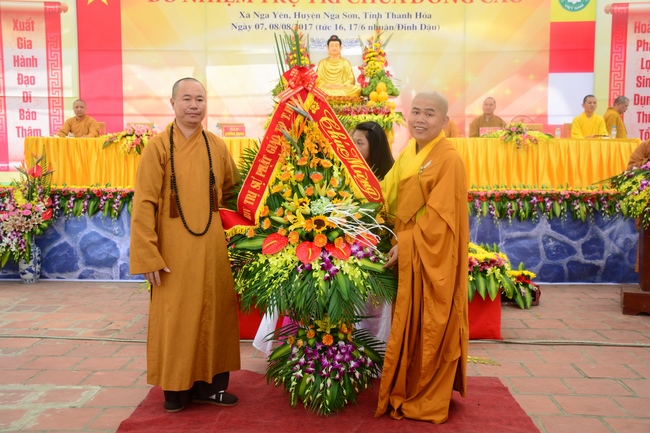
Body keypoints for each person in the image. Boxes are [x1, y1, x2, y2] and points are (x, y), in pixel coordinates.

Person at [130, 77, 241, 413]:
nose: (194, 105)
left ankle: (211, 387)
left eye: (200, 99)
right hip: (172, 252)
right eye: (187, 99)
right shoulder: (158, 147)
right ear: (173, 103)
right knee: (176, 317)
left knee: (214, 312)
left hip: (211, 249)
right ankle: (176, 390)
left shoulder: (217, 146)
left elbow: (232, 192)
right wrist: (148, 255)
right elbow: (144, 203)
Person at [376, 91, 469, 423]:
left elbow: (442, 219)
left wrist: (408, 242)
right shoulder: (409, 153)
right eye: (415, 111)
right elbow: (386, 192)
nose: (420, 119)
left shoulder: (449, 159)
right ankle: (405, 381)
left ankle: (426, 392)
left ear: (444, 121)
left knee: (429, 319)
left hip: (431, 253)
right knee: (408, 320)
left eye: (429, 114)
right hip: (409, 250)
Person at [350, 121, 395, 344]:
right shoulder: (346, 172)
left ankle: (373, 345)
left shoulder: (389, 177)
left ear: (374, 148)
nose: (353, 146)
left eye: (360, 143)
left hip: (378, 252)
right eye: (352, 141)